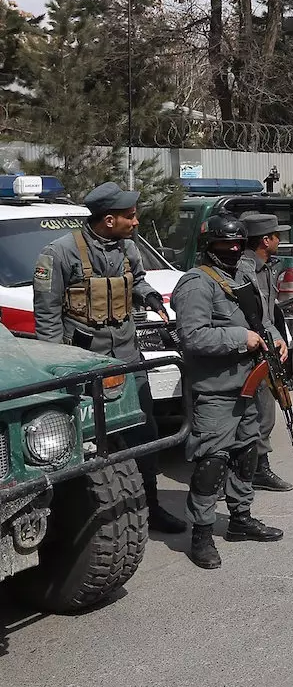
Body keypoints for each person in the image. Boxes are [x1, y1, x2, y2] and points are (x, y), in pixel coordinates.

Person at [32, 181, 187, 534]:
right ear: (108, 220)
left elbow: (138, 281)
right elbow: (47, 316)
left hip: (128, 358)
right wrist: (57, 370)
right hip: (84, 364)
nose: (136, 221)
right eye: (130, 216)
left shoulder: (128, 248)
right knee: (86, 440)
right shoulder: (59, 253)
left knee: (144, 432)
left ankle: (150, 505)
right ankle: (79, 518)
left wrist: (149, 296)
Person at [170, 214, 286, 570]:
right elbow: (192, 337)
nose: (233, 249)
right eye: (225, 243)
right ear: (210, 245)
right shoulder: (196, 284)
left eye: (238, 243)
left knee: (247, 453)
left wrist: (275, 338)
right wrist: (240, 338)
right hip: (216, 389)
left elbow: (260, 320)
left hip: (249, 384)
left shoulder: (243, 276)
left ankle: (240, 519)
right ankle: (202, 534)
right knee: (212, 462)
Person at [236, 212, 293, 492]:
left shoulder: (266, 267)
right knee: (254, 414)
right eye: (277, 236)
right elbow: (247, 318)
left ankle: (257, 467)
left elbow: (267, 316)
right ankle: (250, 470)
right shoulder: (244, 270)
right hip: (246, 347)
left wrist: (279, 340)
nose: (280, 240)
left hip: (264, 343)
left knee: (266, 411)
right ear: (265, 240)